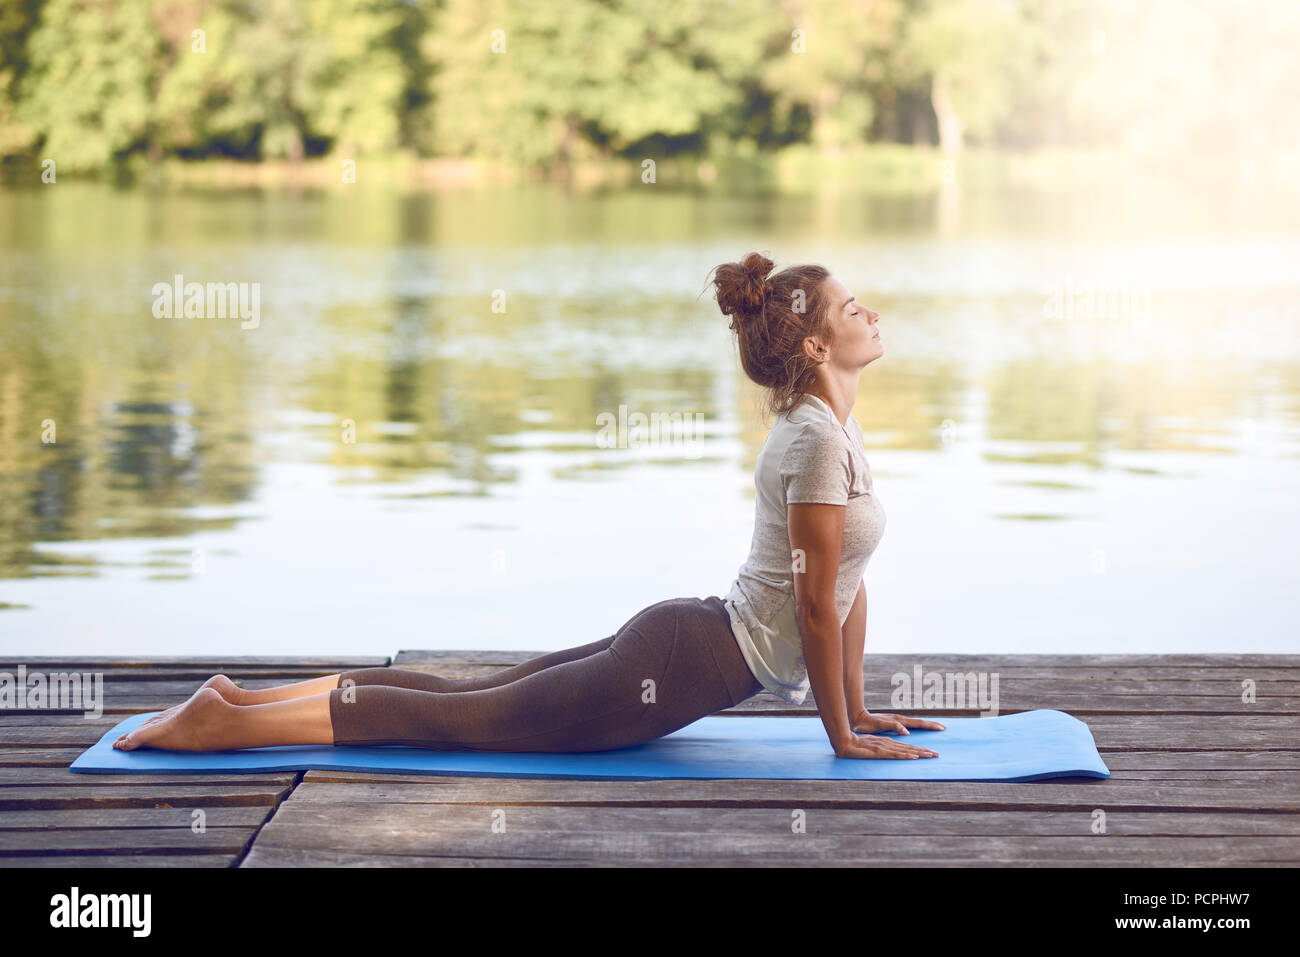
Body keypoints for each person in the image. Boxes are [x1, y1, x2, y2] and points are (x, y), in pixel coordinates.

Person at [114, 252, 941, 760]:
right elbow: (813, 604)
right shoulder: (817, 440)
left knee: (462, 694)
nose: (872, 312)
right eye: (851, 307)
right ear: (816, 346)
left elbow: (843, 582)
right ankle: (218, 727)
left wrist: (859, 706)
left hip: (690, 639)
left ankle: (238, 700)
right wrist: (840, 736)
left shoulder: (835, 425)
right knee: (457, 719)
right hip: (685, 659)